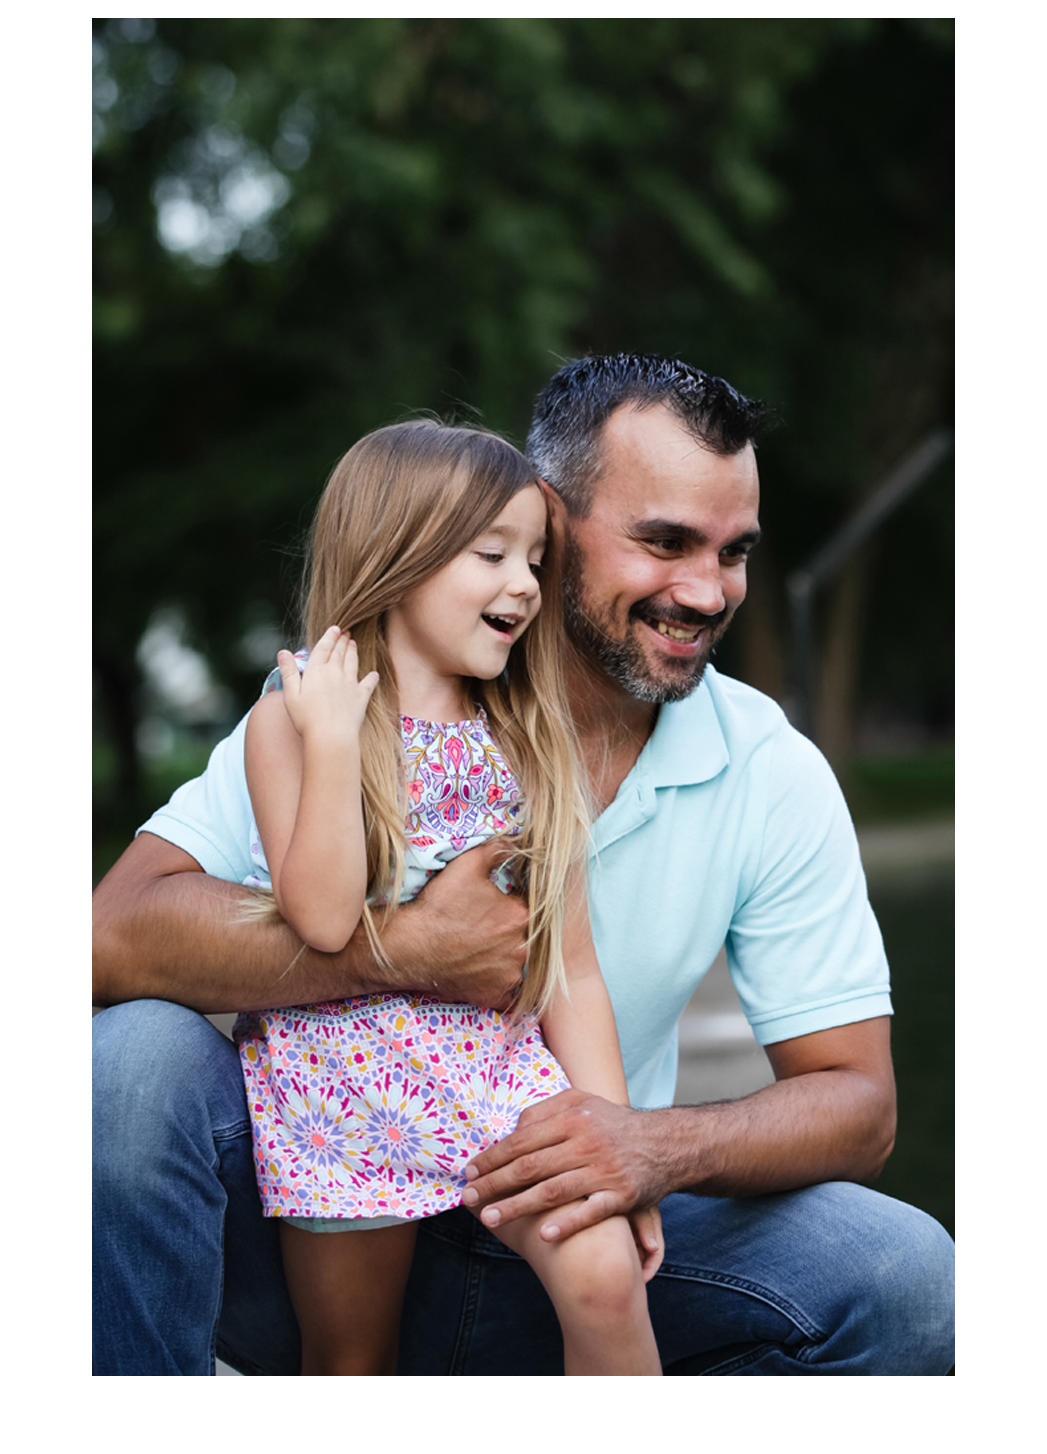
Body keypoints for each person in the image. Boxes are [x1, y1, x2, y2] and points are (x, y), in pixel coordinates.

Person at [93, 353, 955, 1375]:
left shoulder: (766, 767)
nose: (707, 590)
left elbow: (859, 1105)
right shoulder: (339, 714)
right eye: (666, 541)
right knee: (127, 1068)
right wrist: (409, 949)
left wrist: (644, 1150)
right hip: (323, 1183)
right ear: (547, 513)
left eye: (735, 553)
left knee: (909, 1277)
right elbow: (104, 944)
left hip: (550, 1201)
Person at [230, 421, 662, 1374]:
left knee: (603, 1279)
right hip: (343, 1099)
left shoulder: (526, 735)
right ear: (399, 553)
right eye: (492, 554)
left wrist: (616, 1151)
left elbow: (573, 970)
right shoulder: (293, 718)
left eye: (536, 561)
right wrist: (338, 739)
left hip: (499, 1077)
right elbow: (326, 919)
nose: (525, 584)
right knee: (351, 1364)